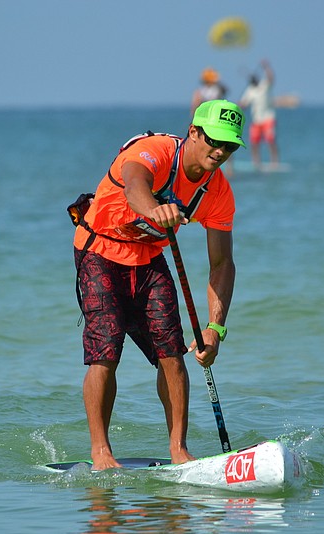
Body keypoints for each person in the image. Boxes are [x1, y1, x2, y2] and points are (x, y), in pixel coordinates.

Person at [72, 100, 245, 470]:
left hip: (148, 258)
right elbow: (135, 184)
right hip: (100, 250)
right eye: (215, 140)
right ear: (194, 133)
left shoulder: (218, 193)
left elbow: (221, 263)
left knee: (172, 353)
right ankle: (101, 452)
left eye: (230, 146)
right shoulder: (157, 151)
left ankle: (178, 450)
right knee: (106, 351)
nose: (221, 151)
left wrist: (215, 328)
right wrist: (153, 209)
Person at [239, 59, 280, 168]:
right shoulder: (250, 90)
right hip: (256, 120)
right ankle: (256, 163)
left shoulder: (264, 85)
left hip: (268, 118)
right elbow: (244, 104)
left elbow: (271, 78)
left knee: (270, 141)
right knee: (254, 143)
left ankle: (274, 162)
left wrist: (266, 67)